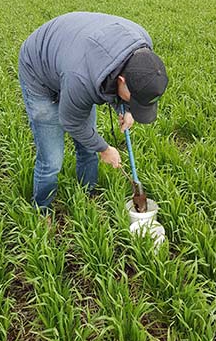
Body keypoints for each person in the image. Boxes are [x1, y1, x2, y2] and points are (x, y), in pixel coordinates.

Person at [18, 12, 168, 214]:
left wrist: (129, 109)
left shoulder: (143, 48)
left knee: (88, 145)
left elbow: (126, 79)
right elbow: (72, 122)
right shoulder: (81, 79)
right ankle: (41, 209)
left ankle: (86, 193)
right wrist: (105, 149)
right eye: (134, 99)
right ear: (122, 81)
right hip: (39, 69)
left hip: (74, 58)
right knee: (52, 159)